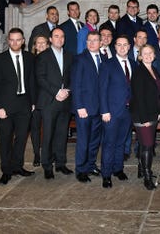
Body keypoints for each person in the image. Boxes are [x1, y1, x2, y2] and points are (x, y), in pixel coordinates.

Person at [0, 28, 36, 185]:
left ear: (23, 41)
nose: (15, 42)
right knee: (5, 139)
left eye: (18, 39)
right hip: (6, 106)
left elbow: (32, 81)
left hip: (25, 105)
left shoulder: (30, 57)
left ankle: (18, 166)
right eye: (12, 40)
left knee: (22, 138)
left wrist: (33, 102)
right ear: (8, 41)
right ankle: (6, 171)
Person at [36, 27, 74, 179]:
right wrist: (57, 92)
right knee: (48, 135)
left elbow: (72, 77)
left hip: (65, 101)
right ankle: (47, 165)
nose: (60, 39)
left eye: (62, 36)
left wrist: (67, 91)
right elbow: (41, 78)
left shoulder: (70, 56)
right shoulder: (43, 56)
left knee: (62, 134)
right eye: (56, 36)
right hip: (49, 101)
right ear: (50, 39)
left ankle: (60, 163)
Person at [99, 36, 133, 188]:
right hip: (111, 112)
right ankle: (106, 174)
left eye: (125, 45)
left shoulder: (133, 64)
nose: (122, 47)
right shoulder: (107, 64)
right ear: (115, 47)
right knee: (109, 144)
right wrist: (104, 110)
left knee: (121, 142)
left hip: (128, 111)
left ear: (129, 47)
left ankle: (118, 169)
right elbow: (102, 89)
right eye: (119, 45)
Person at [72, 30, 104, 183]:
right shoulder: (80, 59)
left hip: (99, 109)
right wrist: (79, 107)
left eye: (95, 40)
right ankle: (81, 169)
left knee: (94, 141)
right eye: (89, 40)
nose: (92, 43)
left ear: (101, 42)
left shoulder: (103, 58)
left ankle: (91, 165)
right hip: (84, 109)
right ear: (86, 42)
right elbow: (76, 84)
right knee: (83, 140)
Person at [130, 45, 160, 190]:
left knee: (145, 144)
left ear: (154, 55)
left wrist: (158, 112)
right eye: (145, 53)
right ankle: (147, 178)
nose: (148, 55)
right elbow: (138, 97)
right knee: (148, 145)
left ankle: (142, 170)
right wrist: (145, 119)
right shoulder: (139, 72)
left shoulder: (154, 70)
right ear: (140, 56)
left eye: (151, 53)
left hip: (153, 113)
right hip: (143, 115)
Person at [28, 34, 49, 166]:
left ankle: (47, 154)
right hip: (34, 100)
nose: (41, 45)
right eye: (38, 43)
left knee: (48, 129)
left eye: (43, 43)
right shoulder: (29, 60)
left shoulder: (52, 59)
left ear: (48, 45)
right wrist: (31, 102)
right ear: (34, 46)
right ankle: (36, 154)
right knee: (35, 128)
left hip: (49, 100)